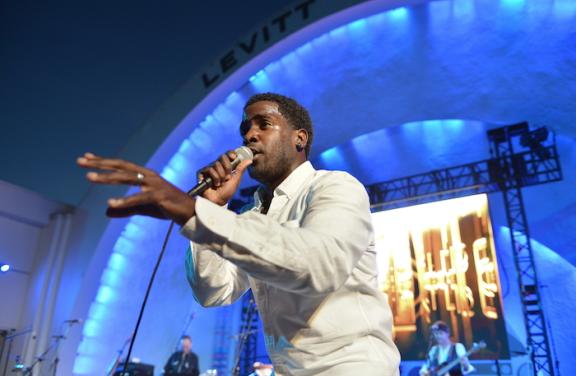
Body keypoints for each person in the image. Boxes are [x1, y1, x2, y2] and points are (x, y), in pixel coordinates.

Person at [77, 92, 400, 375]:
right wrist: (212, 207)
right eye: (245, 129)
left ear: (299, 138)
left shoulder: (335, 186)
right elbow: (213, 292)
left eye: (263, 124)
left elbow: (319, 265)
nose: (250, 136)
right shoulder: (250, 216)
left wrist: (191, 211)